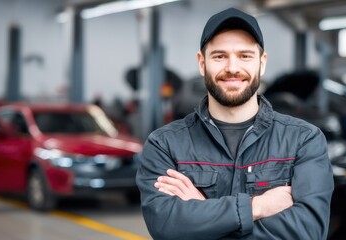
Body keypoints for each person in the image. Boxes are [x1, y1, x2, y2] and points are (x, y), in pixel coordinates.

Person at [136, 7, 334, 240]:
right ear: (202, 63)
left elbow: (307, 232)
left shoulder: (303, 140)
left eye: (245, 56)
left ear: (262, 62)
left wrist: (203, 215)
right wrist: (257, 207)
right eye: (220, 56)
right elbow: (167, 227)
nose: (232, 68)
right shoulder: (165, 145)